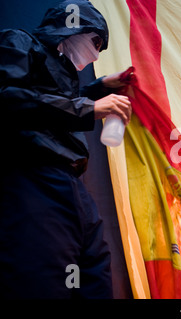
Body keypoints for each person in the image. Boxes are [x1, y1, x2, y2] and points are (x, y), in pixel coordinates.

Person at [0, 0, 132, 298]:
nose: (96, 52)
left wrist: (100, 87)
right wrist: (90, 106)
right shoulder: (18, 41)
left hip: (72, 184)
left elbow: (54, 100)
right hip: (33, 174)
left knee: (95, 271)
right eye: (95, 40)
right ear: (72, 25)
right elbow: (13, 99)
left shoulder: (63, 71)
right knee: (45, 272)